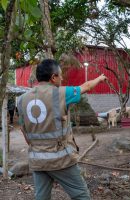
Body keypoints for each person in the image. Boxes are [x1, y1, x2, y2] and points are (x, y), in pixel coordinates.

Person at [17, 59, 107, 200]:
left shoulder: (21, 99)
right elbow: (87, 86)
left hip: (37, 160)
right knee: (81, 195)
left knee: (41, 197)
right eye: (60, 75)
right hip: (60, 160)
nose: (62, 78)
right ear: (53, 77)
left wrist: (38, 148)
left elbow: (23, 130)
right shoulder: (60, 93)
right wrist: (100, 78)